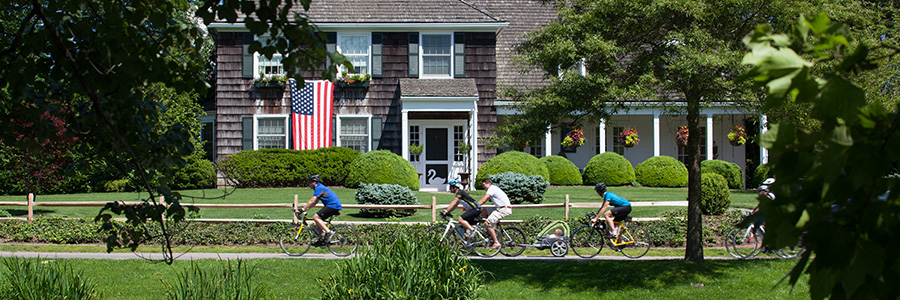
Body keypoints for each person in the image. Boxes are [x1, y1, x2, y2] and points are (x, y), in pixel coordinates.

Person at [294, 175, 342, 243]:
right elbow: (314, 203)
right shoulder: (320, 188)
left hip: (333, 206)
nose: (309, 184)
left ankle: (329, 232)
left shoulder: (319, 188)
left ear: (314, 182)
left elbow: (312, 201)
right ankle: (321, 240)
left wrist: (301, 209)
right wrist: (304, 209)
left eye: (310, 183)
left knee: (315, 217)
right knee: (318, 221)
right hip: (333, 206)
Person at [477, 178, 511, 251]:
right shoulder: (493, 188)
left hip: (503, 209)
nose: (483, 187)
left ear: (489, 183)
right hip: (499, 208)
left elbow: (484, 200)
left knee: (487, 223)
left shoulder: (492, 189)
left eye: (484, 185)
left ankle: (496, 242)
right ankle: (489, 232)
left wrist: (475, 205)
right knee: (484, 211)